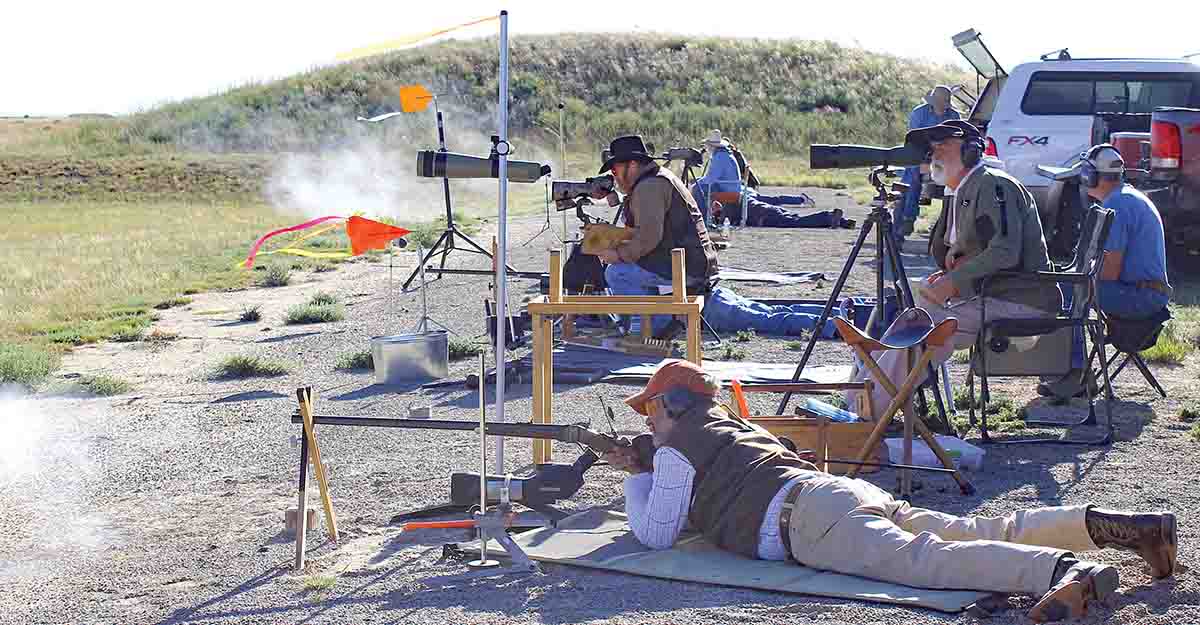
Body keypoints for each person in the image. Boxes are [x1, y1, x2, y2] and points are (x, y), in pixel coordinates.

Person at [603, 359, 1176, 622]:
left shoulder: (678, 447)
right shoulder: (733, 426)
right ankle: (1114, 524)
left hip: (806, 521)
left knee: (926, 562)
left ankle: (1056, 572)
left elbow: (655, 534)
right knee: (974, 530)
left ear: (670, 405)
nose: (648, 421)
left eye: (651, 409)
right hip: (829, 495)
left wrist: (637, 474)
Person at [848, 120, 1061, 419]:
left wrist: (953, 282)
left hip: (1023, 300)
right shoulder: (964, 189)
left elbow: (1004, 251)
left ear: (972, 152)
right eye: (933, 149)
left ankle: (868, 411)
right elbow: (970, 247)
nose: (935, 154)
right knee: (919, 314)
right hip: (996, 294)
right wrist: (951, 272)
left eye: (944, 147)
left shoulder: (992, 184)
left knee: (927, 330)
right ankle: (862, 398)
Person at [1041, 144, 1172, 398]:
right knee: (1068, 282)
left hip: (1139, 297)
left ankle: (1075, 372)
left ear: (1091, 176)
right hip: (1138, 292)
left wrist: (1070, 277)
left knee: (1065, 289)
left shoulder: (1118, 205)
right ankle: (1068, 367)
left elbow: (1109, 272)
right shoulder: (1123, 197)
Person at [594, 135, 719, 334]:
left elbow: (648, 237)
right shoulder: (654, 180)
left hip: (687, 267)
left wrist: (617, 254)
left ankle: (647, 329)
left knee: (617, 273)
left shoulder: (649, 187)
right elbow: (645, 229)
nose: (614, 176)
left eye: (616, 170)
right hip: (686, 261)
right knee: (631, 267)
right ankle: (658, 321)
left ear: (633, 165)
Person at [690, 130, 851, 229]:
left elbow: (710, 180)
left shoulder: (720, 158)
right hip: (739, 196)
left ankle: (828, 217)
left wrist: (693, 185)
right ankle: (835, 219)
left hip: (736, 198)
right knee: (781, 213)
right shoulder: (726, 155)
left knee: (784, 218)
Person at [897, 86, 961, 244]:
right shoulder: (919, 113)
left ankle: (952, 231)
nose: (941, 105)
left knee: (960, 183)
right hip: (920, 153)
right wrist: (926, 159)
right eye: (938, 101)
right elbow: (914, 138)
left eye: (944, 102)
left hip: (944, 154)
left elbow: (956, 139)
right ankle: (905, 221)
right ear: (933, 101)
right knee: (911, 179)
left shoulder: (954, 115)